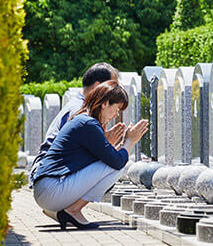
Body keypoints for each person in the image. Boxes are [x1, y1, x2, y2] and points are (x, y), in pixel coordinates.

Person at [31, 81, 148, 230]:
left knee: (114, 162)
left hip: (47, 189)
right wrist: (130, 141)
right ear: (105, 103)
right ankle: (73, 210)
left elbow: (101, 159)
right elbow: (117, 162)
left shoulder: (84, 120)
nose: (116, 115)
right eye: (116, 109)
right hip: (51, 189)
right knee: (117, 167)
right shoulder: (88, 124)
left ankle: (66, 210)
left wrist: (118, 144)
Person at [30, 62, 123, 221]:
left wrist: (104, 144)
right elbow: (72, 153)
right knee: (113, 164)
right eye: (112, 87)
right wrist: (110, 146)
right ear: (98, 87)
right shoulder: (80, 110)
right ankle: (70, 209)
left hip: (48, 177)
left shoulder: (81, 107)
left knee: (109, 160)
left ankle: (61, 208)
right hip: (52, 178)